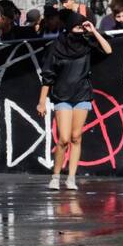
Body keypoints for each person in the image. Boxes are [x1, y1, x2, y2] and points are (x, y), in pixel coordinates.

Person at [37, 12, 113, 191]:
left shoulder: (87, 44)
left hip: (82, 95)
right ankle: (56, 176)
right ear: (69, 26)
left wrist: (93, 31)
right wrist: (42, 101)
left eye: (83, 27)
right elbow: (48, 76)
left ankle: (71, 178)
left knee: (76, 137)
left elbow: (108, 50)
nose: (81, 30)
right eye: (78, 26)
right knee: (64, 138)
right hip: (62, 95)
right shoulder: (56, 46)